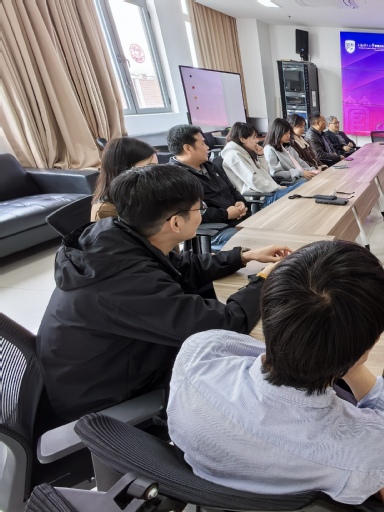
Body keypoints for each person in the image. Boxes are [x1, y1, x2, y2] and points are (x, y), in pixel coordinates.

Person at [168, 240, 384, 507]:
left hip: (214, 503)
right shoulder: (362, 454)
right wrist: (381, 460)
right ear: (368, 347)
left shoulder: (197, 357)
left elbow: (258, 349)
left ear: (267, 312)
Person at [37, 165, 291, 421]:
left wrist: (244, 256)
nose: (202, 214)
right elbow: (225, 324)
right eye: (200, 208)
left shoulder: (116, 235)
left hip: (121, 361)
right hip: (106, 402)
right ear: (176, 223)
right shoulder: (127, 281)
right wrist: (264, 281)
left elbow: (182, 267)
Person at [167, 124, 247, 249]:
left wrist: (240, 202)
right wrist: (226, 214)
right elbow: (191, 214)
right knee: (253, 240)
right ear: (188, 148)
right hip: (215, 230)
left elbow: (231, 188)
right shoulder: (176, 178)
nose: (207, 147)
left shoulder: (209, 166)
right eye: (203, 144)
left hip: (236, 219)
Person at [221, 122, 305, 208]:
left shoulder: (243, 152)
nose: (257, 141)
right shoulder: (234, 155)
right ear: (242, 139)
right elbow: (254, 181)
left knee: (304, 186)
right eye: (254, 137)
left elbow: (266, 174)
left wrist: (261, 156)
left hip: (268, 192)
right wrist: (278, 187)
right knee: (303, 188)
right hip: (262, 197)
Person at [91, 137, 157, 220]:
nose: (156, 173)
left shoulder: (143, 191)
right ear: (125, 170)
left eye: (156, 166)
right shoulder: (106, 210)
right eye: (149, 168)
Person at [264, 118, 318, 189]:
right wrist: (300, 173)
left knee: (318, 176)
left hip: (299, 176)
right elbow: (275, 173)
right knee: (310, 182)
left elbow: (300, 163)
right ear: (277, 133)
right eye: (285, 133)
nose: (288, 136)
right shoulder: (269, 149)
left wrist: (311, 170)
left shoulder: (287, 147)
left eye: (289, 133)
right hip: (288, 181)